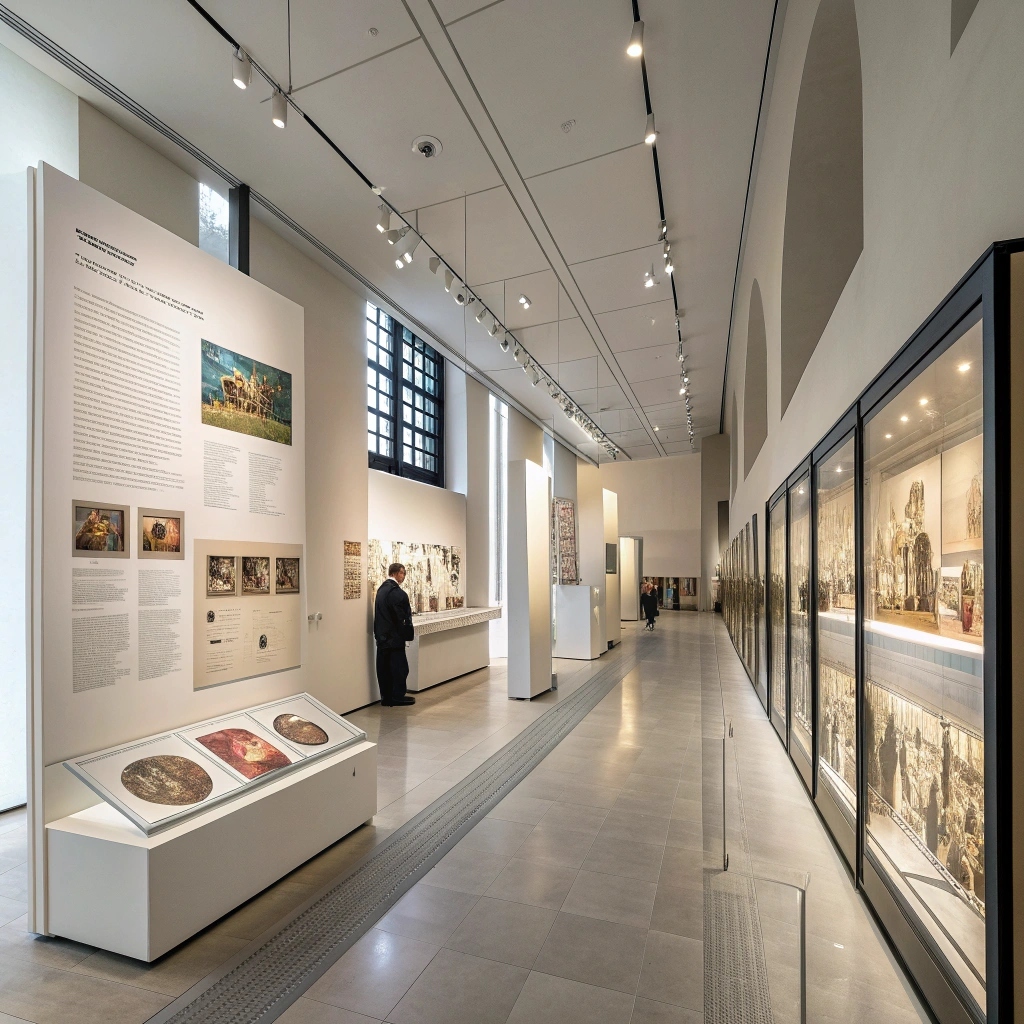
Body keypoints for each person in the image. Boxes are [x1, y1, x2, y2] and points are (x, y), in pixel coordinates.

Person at [373, 563, 416, 707]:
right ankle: (397, 696)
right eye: (403, 574)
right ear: (398, 573)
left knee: (384, 668)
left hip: (382, 637)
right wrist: (407, 635)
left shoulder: (381, 590)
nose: (403, 577)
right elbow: (402, 618)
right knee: (399, 668)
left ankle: (386, 697)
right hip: (394, 638)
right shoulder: (398, 593)